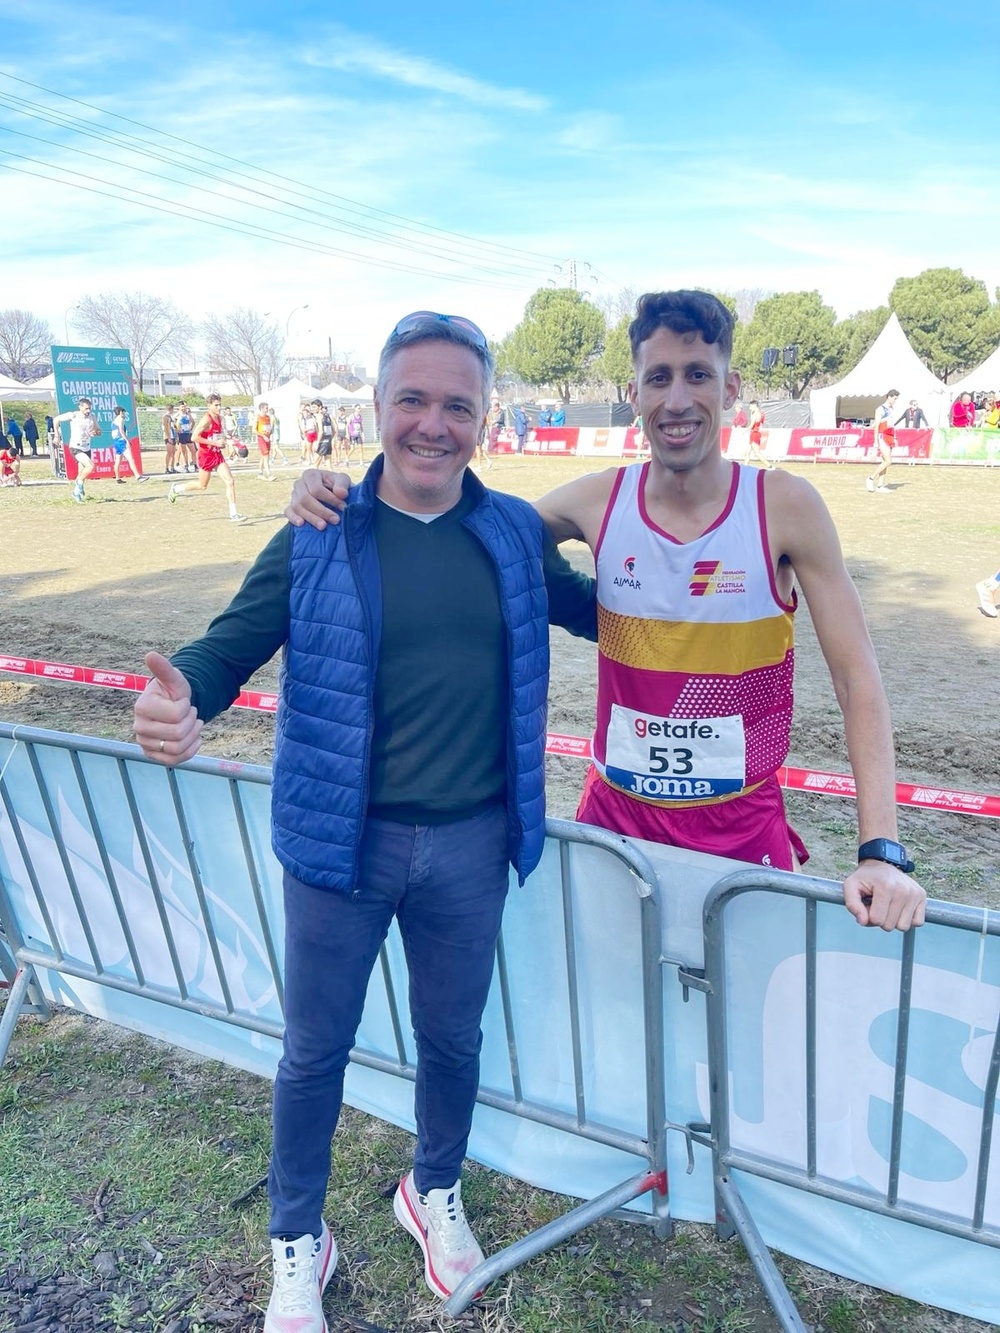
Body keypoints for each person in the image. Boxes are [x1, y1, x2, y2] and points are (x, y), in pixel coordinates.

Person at [134, 310, 595, 1329]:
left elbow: (602, 611)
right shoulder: (315, 530)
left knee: (452, 1039)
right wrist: (184, 699)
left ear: (486, 418)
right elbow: (227, 645)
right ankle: (297, 1236)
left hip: (473, 843)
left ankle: (432, 1191)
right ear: (379, 408)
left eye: (457, 405)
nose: (434, 423)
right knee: (314, 1051)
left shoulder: (513, 531)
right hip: (341, 847)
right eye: (413, 400)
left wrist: (736, 588)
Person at [287, 290, 926, 935]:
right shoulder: (597, 502)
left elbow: (856, 679)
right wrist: (341, 492)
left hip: (741, 839)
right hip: (614, 836)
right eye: (659, 378)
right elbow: (456, 526)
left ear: (730, 387)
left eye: (697, 375)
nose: (677, 400)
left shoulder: (786, 507)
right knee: (606, 1032)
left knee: (736, 1035)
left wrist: (881, 849)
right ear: (634, 392)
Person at [167, 393, 246, 522]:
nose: (219, 407)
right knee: (202, 486)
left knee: (230, 481)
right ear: (209, 405)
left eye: (220, 404)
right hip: (206, 456)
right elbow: (194, 438)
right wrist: (215, 443)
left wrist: (234, 442)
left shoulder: (220, 419)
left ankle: (234, 514)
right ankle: (176, 489)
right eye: (216, 405)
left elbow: (219, 437)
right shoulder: (206, 419)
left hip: (217, 454)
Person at [53, 397, 101, 502]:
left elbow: (98, 430)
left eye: (89, 409)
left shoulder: (92, 416)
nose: (88, 411)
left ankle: (77, 492)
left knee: (82, 472)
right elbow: (56, 419)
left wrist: (96, 432)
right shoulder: (73, 415)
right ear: (80, 407)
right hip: (75, 447)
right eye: (86, 409)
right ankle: (77, 487)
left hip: (86, 447)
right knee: (91, 466)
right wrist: (57, 435)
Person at [867, 389, 899, 493]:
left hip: (889, 435)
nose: (895, 401)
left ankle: (880, 485)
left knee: (885, 461)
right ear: (889, 397)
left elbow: (891, 424)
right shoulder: (880, 409)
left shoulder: (890, 410)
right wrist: (875, 441)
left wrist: (894, 437)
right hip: (882, 436)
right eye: (894, 398)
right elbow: (876, 426)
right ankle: (871, 478)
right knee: (888, 461)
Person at [110, 404, 145, 483]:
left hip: (116, 442)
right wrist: (127, 440)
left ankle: (117, 478)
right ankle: (138, 476)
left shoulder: (113, 421)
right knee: (130, 459)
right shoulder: (121, 419)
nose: (124, 414)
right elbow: (121, 431)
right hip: (121, 441)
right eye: (123, 412)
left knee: (118, 461)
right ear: (121, 412)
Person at [746, 400, 772, 468]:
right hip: (755, 433)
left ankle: (770, 466)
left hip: (755, 433)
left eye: (750, 406)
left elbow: (751, 425)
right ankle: (745, 466)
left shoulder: (756, 414)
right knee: (747, 451)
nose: (749, 408)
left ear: (755, 406)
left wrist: (743, 431)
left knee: (757, 453)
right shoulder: (760, 413)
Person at [255, 401, 275, 480]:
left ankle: (260, 473)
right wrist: (263, 436)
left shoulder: (268, 417)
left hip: (268, 438)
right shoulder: (258, 417)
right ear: (262, 408)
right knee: (266, 455)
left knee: (264, 456)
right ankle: (269, 475)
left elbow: (270, 429)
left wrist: (272, 422)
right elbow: (254, 430)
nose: (267, 409)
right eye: (266, 408)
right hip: (262, 438)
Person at [175, 402, 197, 473]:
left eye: (184, 407)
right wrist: (177, 431)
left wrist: (190, 428)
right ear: (179, 407)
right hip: (181, 434)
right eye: (182, 407)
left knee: (193, 450)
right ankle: (186, 465)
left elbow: (193, 422)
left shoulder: (188, 414)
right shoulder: (177, 415)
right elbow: (173, 422)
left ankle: (195, 465)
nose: (183, 408)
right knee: (184, 451)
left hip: (188, 433)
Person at [162, 403, 179, 474]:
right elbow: (165, 428)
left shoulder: (170, 417)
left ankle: (172, 467)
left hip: (173, 436)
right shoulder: (165, 417)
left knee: (173, 452)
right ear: (170, 409)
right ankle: (166, 468)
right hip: (168, 436)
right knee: (169, 453)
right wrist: (168, 437)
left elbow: (174, 427)